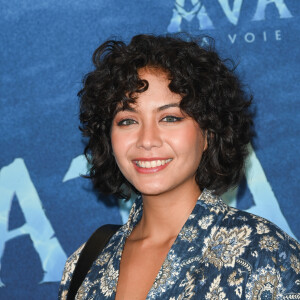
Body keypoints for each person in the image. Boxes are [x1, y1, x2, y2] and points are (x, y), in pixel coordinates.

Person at [59, 34, 300, 299]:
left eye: (170, 118)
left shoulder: (264, 254)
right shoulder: (84, 263)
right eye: (128, 120)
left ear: (208, 133)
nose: (147, 140)